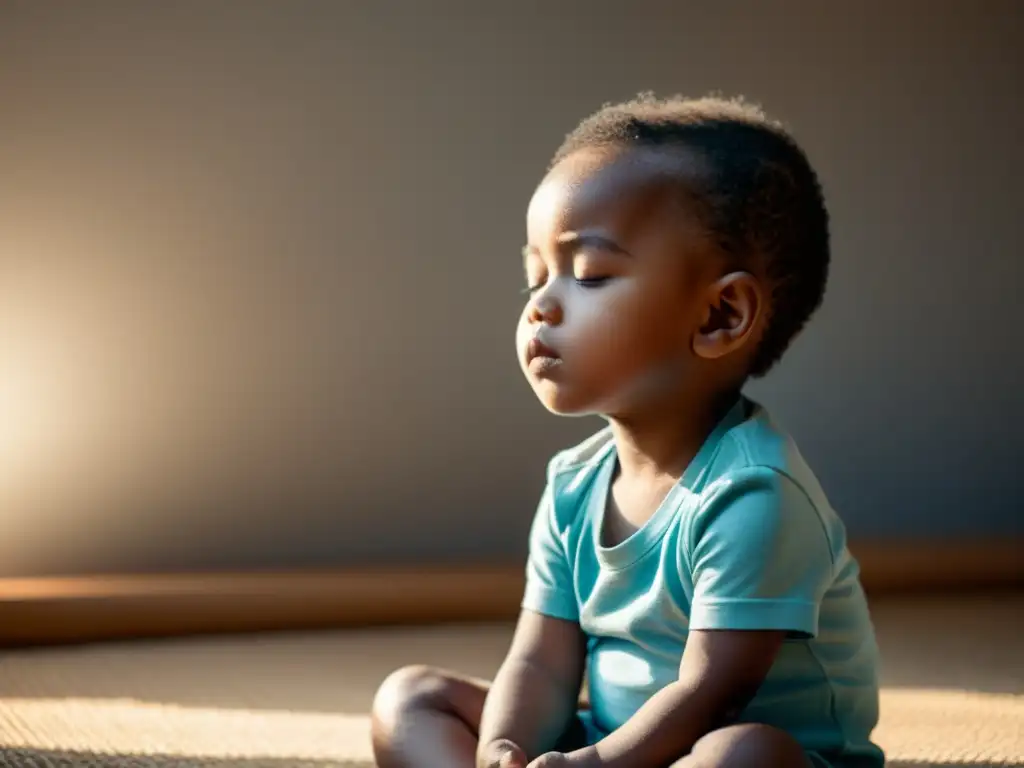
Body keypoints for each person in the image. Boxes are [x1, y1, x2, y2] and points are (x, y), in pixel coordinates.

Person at [370, 93, 884, 768]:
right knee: (410, 698)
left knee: (745, 754)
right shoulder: (573, 484)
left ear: (720, 316)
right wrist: (506, 746)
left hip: (735, 748)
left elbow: (712, 690)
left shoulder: (753, 495)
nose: (541, 308)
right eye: (535, 278)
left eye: (589, 275)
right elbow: (542, 660)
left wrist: (596, 765)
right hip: (610, 740)